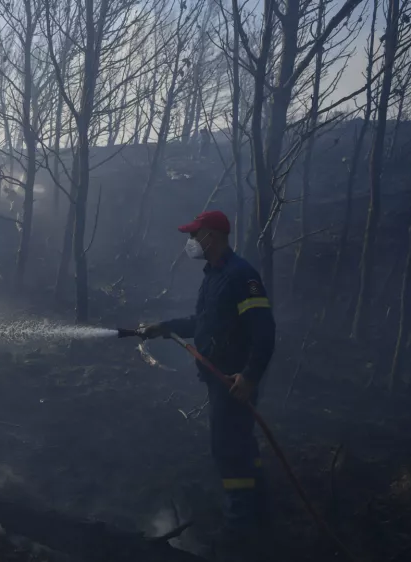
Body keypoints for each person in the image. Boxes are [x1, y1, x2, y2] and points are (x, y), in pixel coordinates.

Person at [139, 210, 275, 559]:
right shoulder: (214, 275)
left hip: (232, 380)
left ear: (210, 237)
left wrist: (249, 376)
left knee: (228, 448)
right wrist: (164, 326)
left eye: (194, 234)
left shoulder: (240, 276)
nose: (191, 242)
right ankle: (260, 510)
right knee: (241, 442)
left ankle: (239, 526)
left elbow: (264, 331)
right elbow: (203, 322)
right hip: (221, 378)